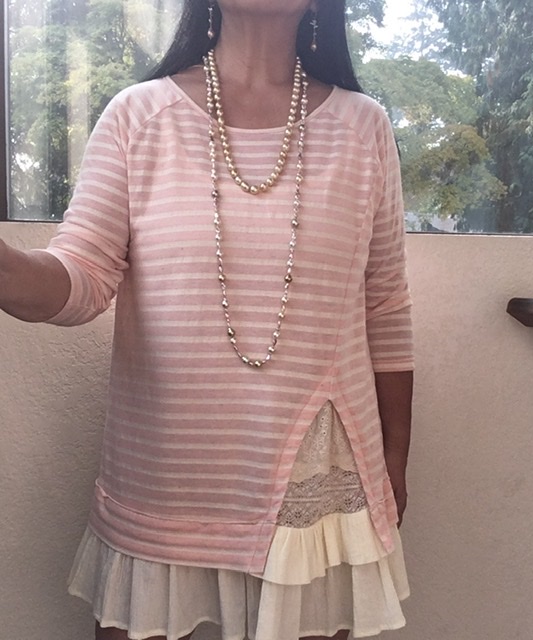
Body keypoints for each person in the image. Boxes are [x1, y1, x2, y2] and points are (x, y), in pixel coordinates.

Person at [0, 0, 414, 638]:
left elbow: (385, 306)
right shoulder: (138, 117)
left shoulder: (363, 128)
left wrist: (394, 460)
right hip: (165, 472)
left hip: (317, 480)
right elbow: (80, 276)